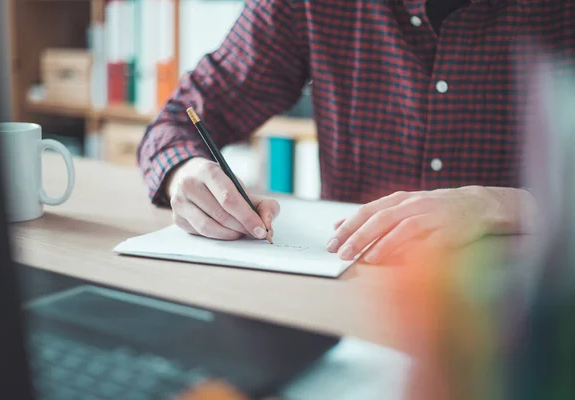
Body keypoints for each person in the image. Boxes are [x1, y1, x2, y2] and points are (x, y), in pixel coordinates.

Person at [137, 0, 561, 264]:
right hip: (349, 284)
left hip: (522, 305)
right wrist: (186, 173)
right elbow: (178, 122)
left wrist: (496, 204)